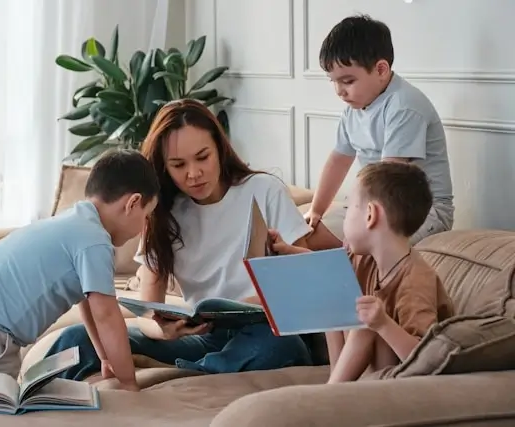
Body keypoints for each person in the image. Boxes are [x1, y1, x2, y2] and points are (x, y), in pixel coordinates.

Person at [44, 99, 326, 381]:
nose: (193, 173)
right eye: (178, 165)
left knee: (277, 346)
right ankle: (22, 398)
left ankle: (190, 371)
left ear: (220, 148)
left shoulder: (264, 190)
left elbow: (307, 278)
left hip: (267, 330)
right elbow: (147, 314)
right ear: (164, 167)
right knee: (76, 338)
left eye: (203, 157)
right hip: (205, 337)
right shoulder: (163, 212)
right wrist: (163, 330)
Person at [0, 149, 159, 395]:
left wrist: (106, 358)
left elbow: (87, 305)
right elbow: (107, 316)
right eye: (146, 217)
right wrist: (129, 384)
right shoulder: (95, 241)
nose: (144, 228)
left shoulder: (77, 221)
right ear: (133, 203)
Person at [270, 161, 455, 383]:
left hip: (395, 380)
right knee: (335, 293)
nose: (345, 217)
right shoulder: (364, 258)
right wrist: (288, 250)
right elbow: (324, 269)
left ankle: (331, 394)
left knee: (364, 322)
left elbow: (426, 359)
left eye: (348, 208)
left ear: (370, 215)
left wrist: (383, 324)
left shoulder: (415, 279)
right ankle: (336, 385)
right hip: (362, 377)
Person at [307, 14, 454, 244]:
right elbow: (338, 161)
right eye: (333, 81)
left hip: (420, 211)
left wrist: (358, 227)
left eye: (347, 81)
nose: (339, 91)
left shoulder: (404, 106)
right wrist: (316, 211)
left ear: (381, 70)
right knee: (305, 236)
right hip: (375, 204)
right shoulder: (354, 108)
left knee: (363, 246)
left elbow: (388, 178)